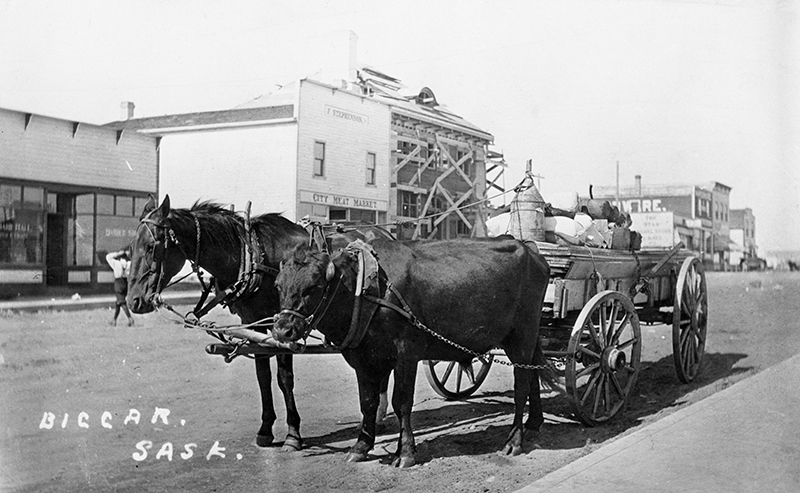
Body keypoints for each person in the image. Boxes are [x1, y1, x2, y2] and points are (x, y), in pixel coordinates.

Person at [106, 248, 135, 326]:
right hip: (126, 282)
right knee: (118, 302)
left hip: (118, 283)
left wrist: (117, 253)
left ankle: (130, 318)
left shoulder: (116, 263)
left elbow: (108, 257)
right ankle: (114, 320)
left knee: (121, 302)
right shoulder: (129, 264)